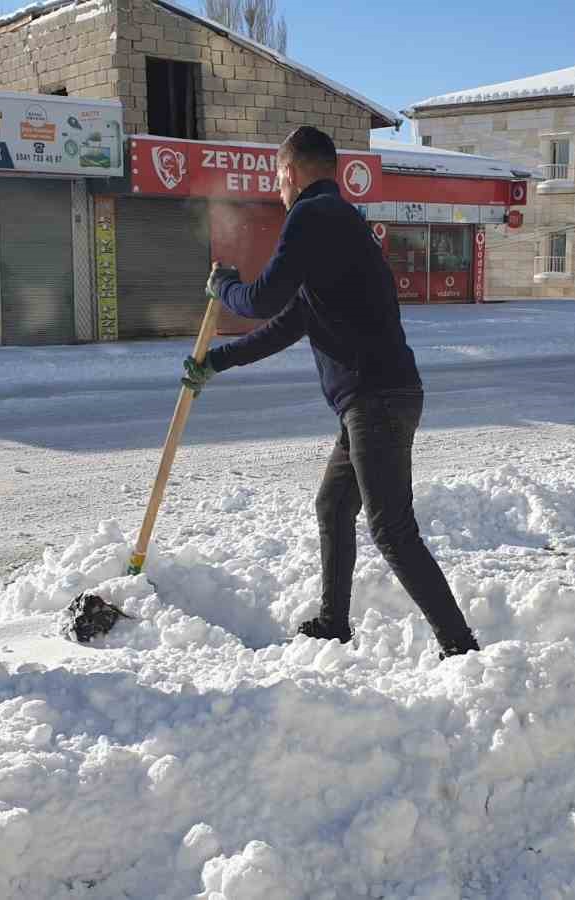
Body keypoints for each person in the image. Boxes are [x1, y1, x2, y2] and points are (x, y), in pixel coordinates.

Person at [179, 125, 481, 660]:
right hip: (372, 401)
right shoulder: (340, 225)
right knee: (334, 506)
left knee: (392, 530)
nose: (278, 189)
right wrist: (216, 360)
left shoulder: (313, 217)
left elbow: (263, 298)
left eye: (278, 178)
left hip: (376, 400)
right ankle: (334, 622)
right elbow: (290, 322)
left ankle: (462, 649)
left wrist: (221, 285)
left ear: (291, 174)